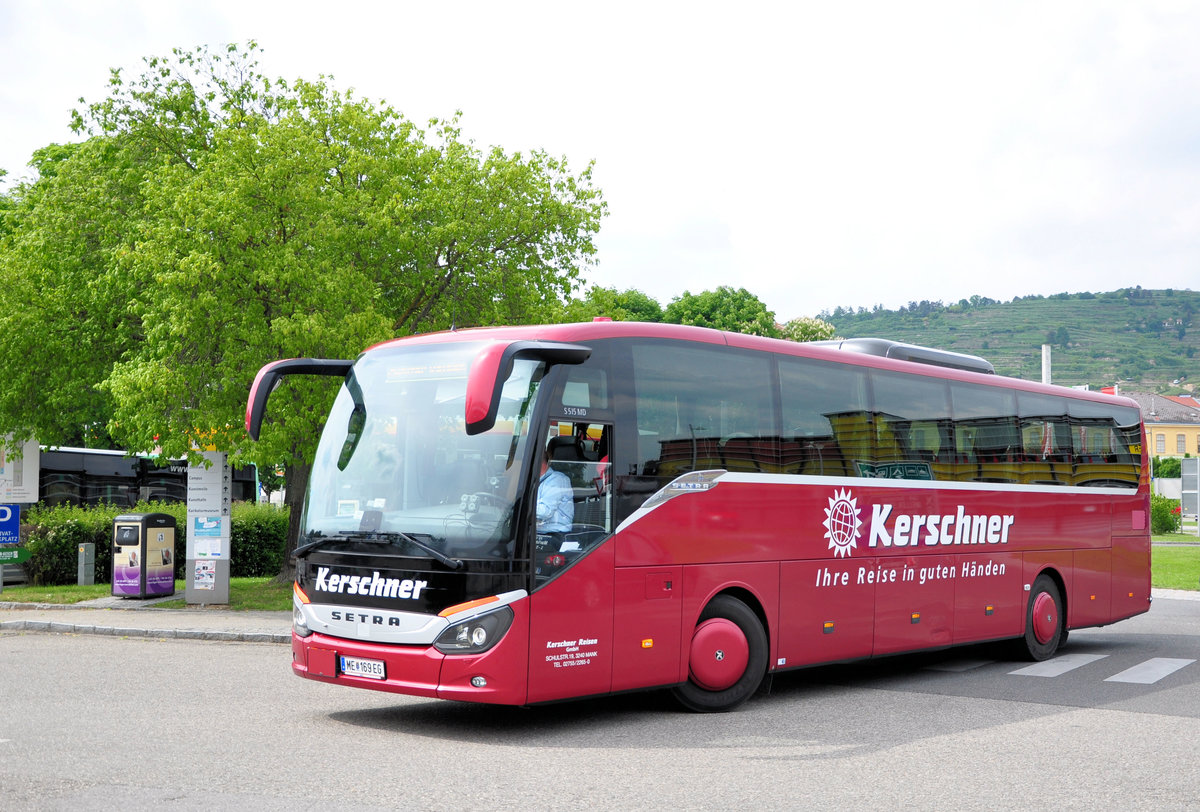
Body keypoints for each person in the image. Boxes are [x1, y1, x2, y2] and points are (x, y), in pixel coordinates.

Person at [536, 442, 574, 544]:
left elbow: (545, 512)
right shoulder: (536, 481)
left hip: (555, 535)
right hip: (539, 533)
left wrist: (523, 506)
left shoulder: (556, 480)